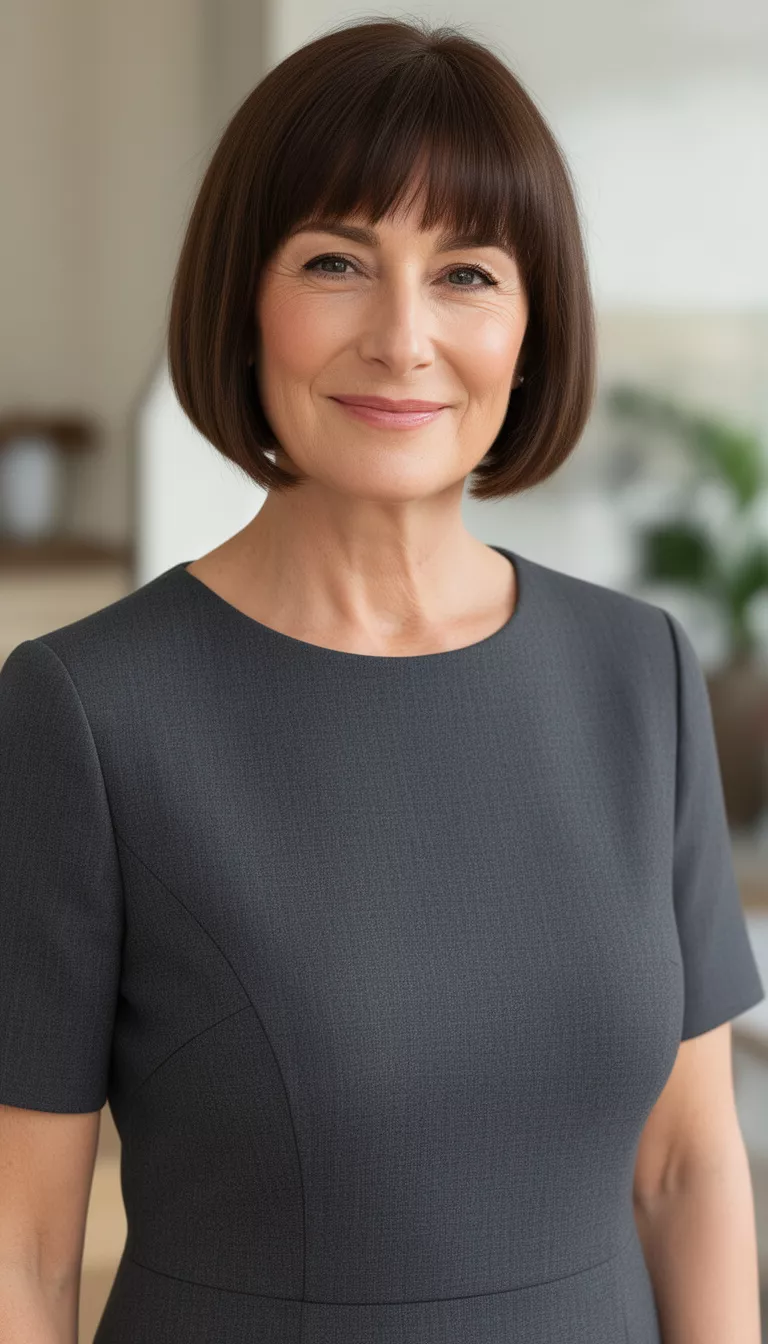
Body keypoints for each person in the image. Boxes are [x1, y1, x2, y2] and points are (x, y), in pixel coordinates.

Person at [0, 16, 764, 1344]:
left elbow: (688, 1169)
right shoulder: (88, 710)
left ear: (532, 327)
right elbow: (25, 1244)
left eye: (467, 272)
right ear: (244, 300)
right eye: (338, 262)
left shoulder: (637, 672)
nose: (405, 337)